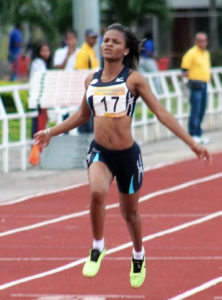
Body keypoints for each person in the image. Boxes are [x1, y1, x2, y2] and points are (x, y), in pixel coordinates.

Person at [34, 24, 211, 289]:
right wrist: (51, 131)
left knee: (130, 214)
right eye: (105, 40)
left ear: (126, 49)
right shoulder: (91, 80)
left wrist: (192, 143)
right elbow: (83, 115)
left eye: (115, 42)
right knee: (96, 193)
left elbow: (162, 113)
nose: (107, 44)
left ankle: (138, 254)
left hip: (127, 156)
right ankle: (98, 246)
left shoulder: (134, 80)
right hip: (100, 152)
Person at [181, 32, 211, 144]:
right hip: (195, 84)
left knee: (202, 109)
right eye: (200, 41)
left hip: (204, 83)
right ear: (196, 41)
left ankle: (198, 132)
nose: (203, 43)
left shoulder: (206, 53)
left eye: (204, 41)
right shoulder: (191, 53)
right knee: (195, 109)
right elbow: (184, 70)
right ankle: (192, 133)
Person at [29, 42, 52, 165]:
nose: (46, 53)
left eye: (47, 51)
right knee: (38, 126)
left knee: (41, 125)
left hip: (42, 99)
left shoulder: (42, 64)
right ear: (38, 52)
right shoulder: (38, 63)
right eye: (43, 51)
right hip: (38, 100)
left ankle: (37, 153)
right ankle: (35, 154)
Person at [74, 28, 100, 133]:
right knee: (86, 123)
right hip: (86, 93)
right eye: (92, 37)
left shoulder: (90, 51)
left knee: (91, 124)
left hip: (92, 92)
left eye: (95, 37)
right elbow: (78, 72)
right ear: (86, 38)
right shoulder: (83, 52)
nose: (94, 40)